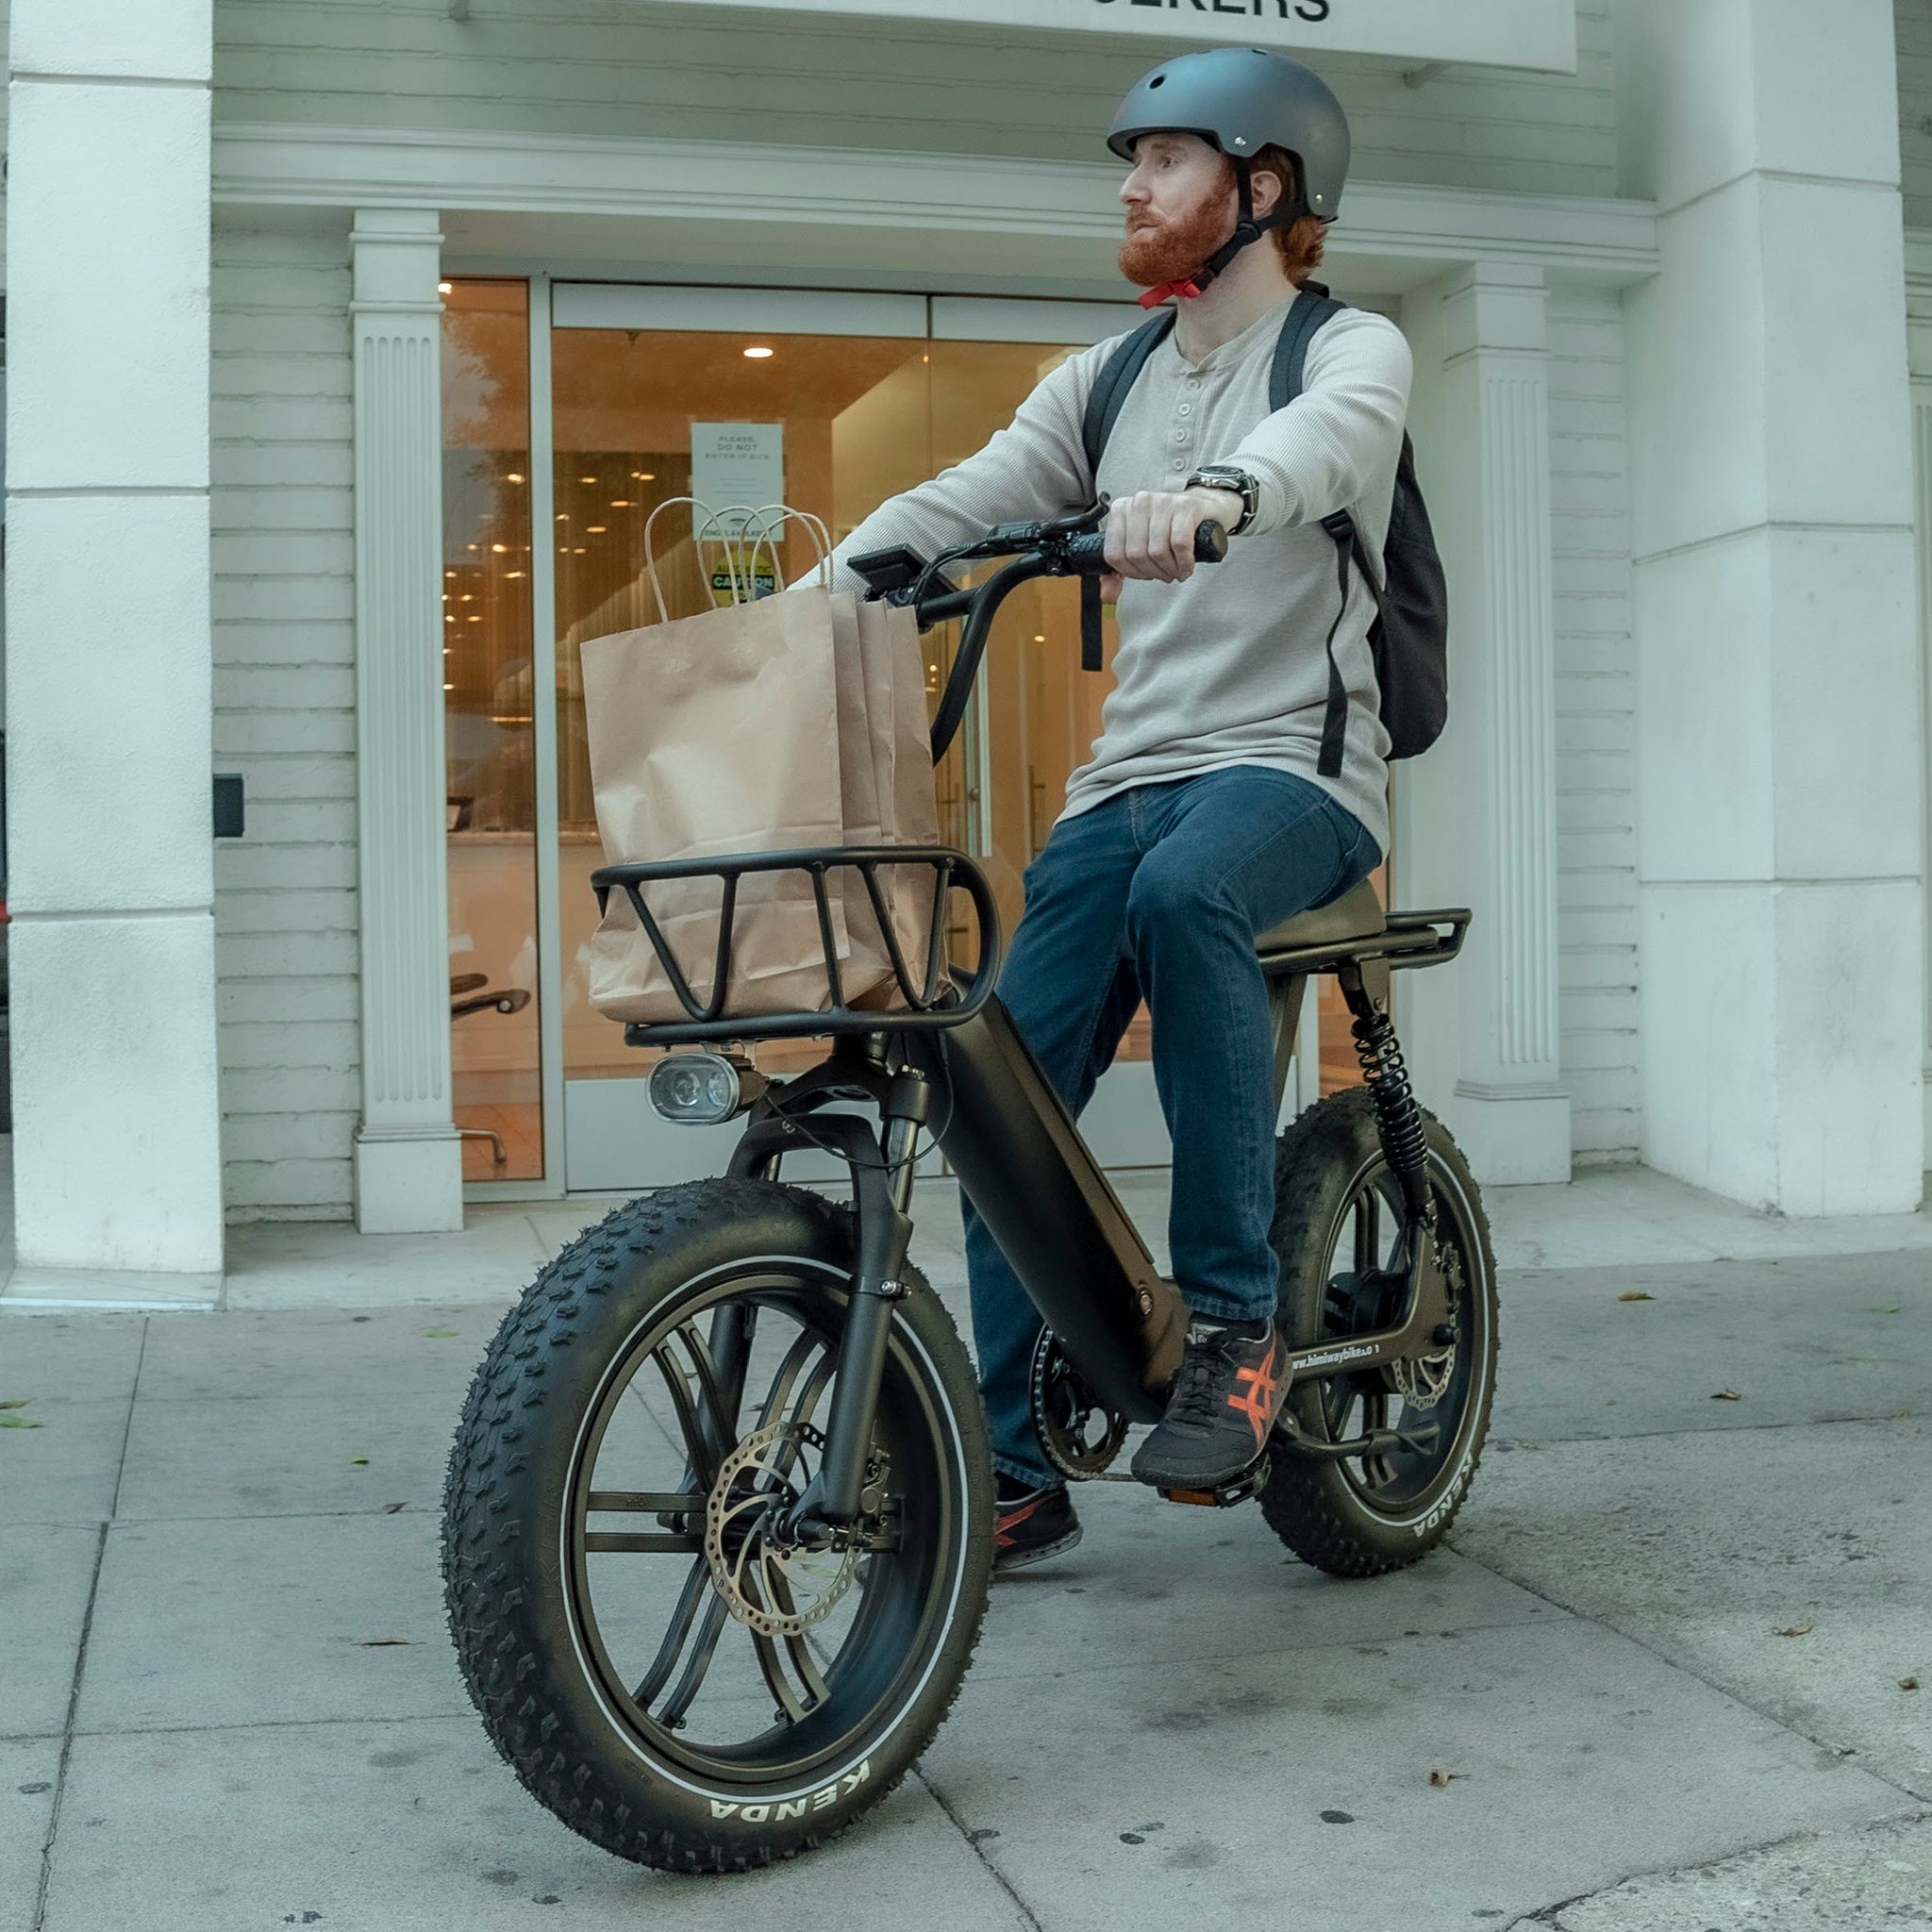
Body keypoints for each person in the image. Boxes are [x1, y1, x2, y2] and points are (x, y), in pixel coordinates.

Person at [821, 47, 1412, 1570]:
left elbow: (1318, 452)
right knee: (988, 1075)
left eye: (1163, 159)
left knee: (1186, 895)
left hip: (1294, 772)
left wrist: (1218, 497)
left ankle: (1234, 1330)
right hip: (1128, 781)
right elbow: (976, 488)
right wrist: (829, 588)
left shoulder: (1348, 353)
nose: (1131, 186)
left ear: (1261, 185)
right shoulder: (1111, 375)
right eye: (1128, 162)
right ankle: (1013, 1468)